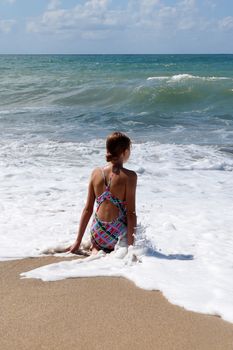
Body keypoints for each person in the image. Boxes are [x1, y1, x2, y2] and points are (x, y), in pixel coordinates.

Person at [66, 131, 137, 255]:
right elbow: (131, 214)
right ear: (125, 152)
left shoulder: (96, 173)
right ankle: (109, 251)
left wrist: (77, 241)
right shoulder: (130, 176)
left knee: (97, 246)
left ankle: (96, 248)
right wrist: (131, 249)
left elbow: (87, 209)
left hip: (97, 234)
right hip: (116, 236)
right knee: (127, 218)